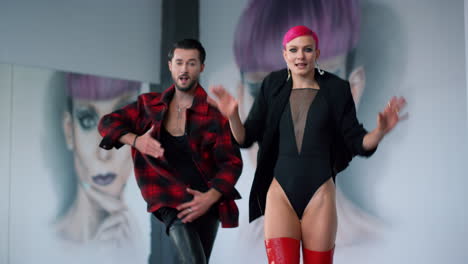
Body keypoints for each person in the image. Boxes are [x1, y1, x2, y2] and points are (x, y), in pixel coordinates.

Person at [210, 25, 406, 263]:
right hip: (279, 194)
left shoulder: (336, 88)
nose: (300, 56)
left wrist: (380, 131)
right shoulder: (272, 85)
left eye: (307, 49)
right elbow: (245, 138)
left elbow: (358, 142)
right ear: (284, 54)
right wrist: (232, 116)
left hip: (320, 194)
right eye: (293, 50)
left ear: (317, 53)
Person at [98, 38, 243, 264]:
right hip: (168, 198)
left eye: (192, 63)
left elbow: (231, 162)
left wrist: (210, 198)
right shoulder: (148, 105)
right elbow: (107, 123)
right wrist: (136, 140)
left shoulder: (214, 113)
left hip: (207, 200)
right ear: (171, 66)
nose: (184, 69)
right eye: (179, 62)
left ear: (201, 67)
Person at [54, 73, 143, 247]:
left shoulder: (139, 240)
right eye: (87, 120)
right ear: (69, 131)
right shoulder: (46, 242)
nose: (104, 153)